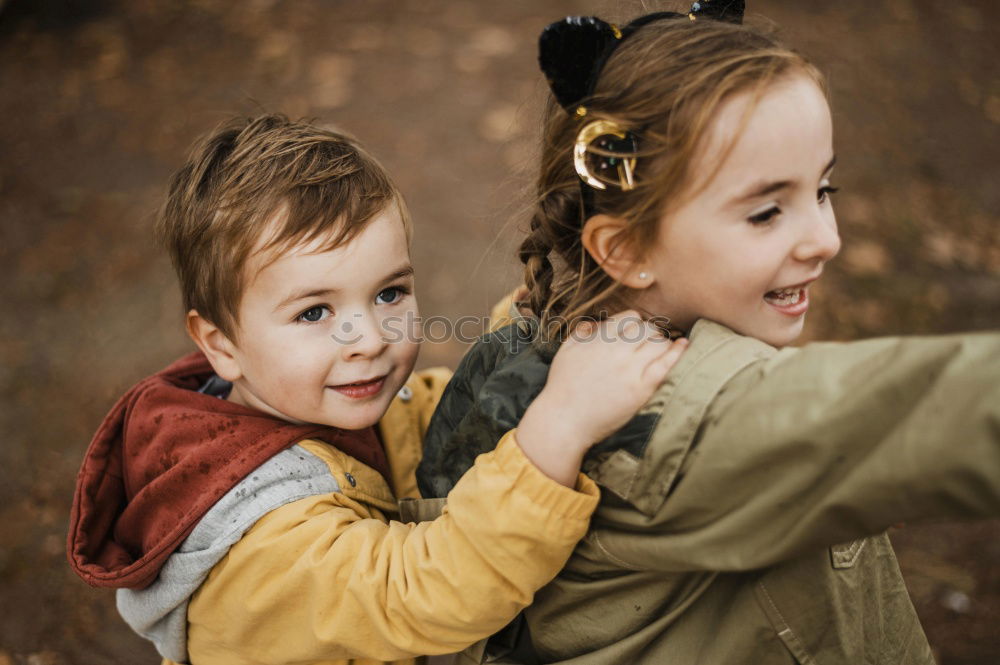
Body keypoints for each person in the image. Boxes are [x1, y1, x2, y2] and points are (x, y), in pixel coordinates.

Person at [417, 4, 1000, 664]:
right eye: (766, 212)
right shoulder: (680, 415)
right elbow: (942, 410)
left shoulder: (544, 332)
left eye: (824, 188)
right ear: (626, 247)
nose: (827, 240)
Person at [65, 114, 688, 665]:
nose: (367, 338)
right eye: (314, 313)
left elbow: (438, 418)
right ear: (221, 345)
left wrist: (531, 332)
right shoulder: (262, 548)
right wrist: (560, 425)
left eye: (389, 293)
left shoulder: (318, 398)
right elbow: (423, 592)